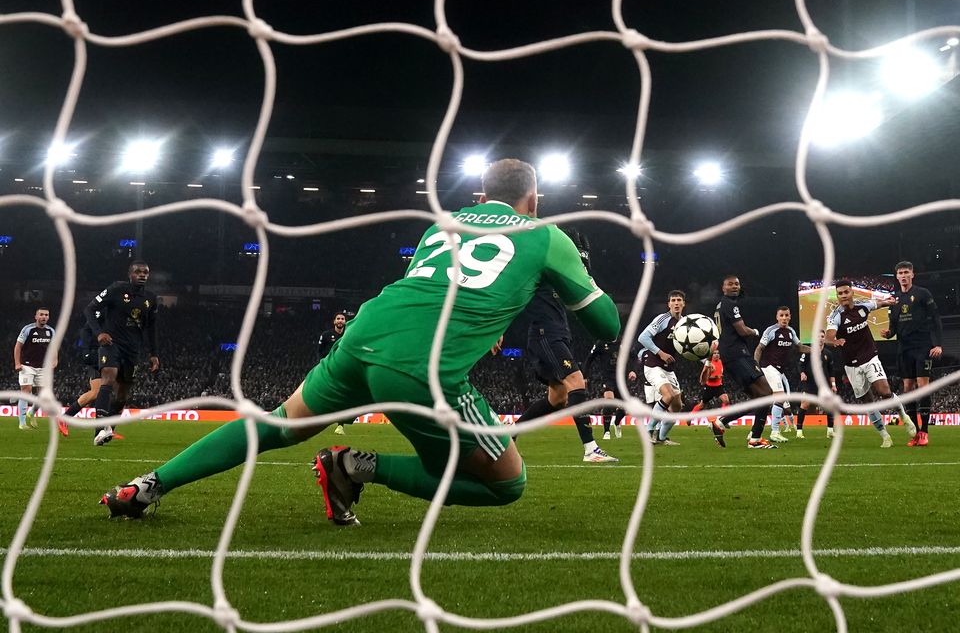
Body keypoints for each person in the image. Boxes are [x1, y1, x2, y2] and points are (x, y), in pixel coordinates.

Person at [100, 158, 621, 525]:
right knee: (506, 484)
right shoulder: (546, 235)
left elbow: (441, 286)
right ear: (535, 201)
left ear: (480, 198)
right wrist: (575, 276)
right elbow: (606, 327)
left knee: (278, 425)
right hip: (424, 367)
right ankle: (353, 465)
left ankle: (147, 484)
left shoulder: (441, 223)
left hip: (364, 333)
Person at [512, 228, 619, 463]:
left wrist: (582, 263)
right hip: (545, 334)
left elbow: (581, 287)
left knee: (557, 399)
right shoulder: (541, 266)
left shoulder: (560, 274)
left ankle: (508, 437)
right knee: (576, 381)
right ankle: (590, 448)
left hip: (558, 333)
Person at [826, 280, 915, 448]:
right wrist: (835, 341)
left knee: (884, 391)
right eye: (840, 293)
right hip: (851, 364)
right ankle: (885, 436)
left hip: (869, 356)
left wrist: (887, 302)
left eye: (846, 292)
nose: (843, 296)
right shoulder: (836, 315)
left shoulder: (862, 306)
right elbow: (830, 335)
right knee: (868, 402)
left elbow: (877, 303)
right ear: (837, 296)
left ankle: (904, 417)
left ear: (852, 292)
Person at [84, 261, 160, 446]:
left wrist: (153, 353)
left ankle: (109, 429)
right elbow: (90, 309)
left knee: (122, 396)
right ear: (130, 274)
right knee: (108, 380)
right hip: (111, 344)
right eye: (138, 272)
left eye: (145, 272)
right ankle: (99, 430)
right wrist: (99, 332)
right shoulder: (116, 289)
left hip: (133, 349)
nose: (142, 275)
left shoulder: (150, 298)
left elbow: (151, 327)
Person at [710, 275, 779, 449]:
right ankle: (754, 439)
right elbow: (742, 330)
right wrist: (756, 331)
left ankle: (722, 422)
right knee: (766, 393)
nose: (734, 287)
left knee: (758, 398)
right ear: (723, 288)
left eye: (737, 284)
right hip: (737, 354)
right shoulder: (730, 304)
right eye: (730, 284)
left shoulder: (719, 305)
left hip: (729, 355)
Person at [881, 261, 943, 446]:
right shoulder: (896, 300)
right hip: (904, 348)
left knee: (923, 386)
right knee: (907, 388)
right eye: (900, 272)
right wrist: (888, 334)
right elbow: (894, 328)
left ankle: (924, 432)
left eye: (906, 272)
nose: (903, 275)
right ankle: (915, 433)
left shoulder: (923, 293)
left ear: (912, 274)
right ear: (897, 276)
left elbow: (936, 318)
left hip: (923, 346)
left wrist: (938, 344)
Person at [637, 291, 687, 445]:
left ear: (684, 304)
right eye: (673, 300)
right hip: (653, 365)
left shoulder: (686, 322)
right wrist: (661, 353)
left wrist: (705, 359)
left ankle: (661, 437)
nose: (676, 303)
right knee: (668, 395)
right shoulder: (662, 319)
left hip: (669, 369)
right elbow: (643, 337)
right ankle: (649, 431)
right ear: (669, 304)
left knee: (677, 406)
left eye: (679, 300)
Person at [754, 306, 809, 443]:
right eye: (781, 315)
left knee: (769, 399)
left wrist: (814, 350)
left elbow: (799, 347)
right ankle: (775, 432)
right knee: (780, 397)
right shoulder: (771, 331)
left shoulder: (791, 332)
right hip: (769, 367)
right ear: (777, 317)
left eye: (786, 315)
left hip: (779, 370)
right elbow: (760, 348)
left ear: (790, 316)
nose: (784, 318)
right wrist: (755, 365)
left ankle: (753, 431)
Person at [58, 319, 106, 438]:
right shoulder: (98, 312)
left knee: (108, 393)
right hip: (97, 357)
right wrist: (86, 352)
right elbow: (85, 331)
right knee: (96, 392)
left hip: (109, 355)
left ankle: (106, 428)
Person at [13, 307, 57, 431]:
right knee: (26, 391)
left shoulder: (51, 331)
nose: (44, 317)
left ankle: (31, 412)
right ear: (36, 316)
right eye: (41, 314)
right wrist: (17, 363)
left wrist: (55, 359)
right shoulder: (28, 329)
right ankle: (22, 423)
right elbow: (18, 346)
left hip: (43, 367)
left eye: (46, 315)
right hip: (27, 365)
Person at [583, 337, 631, 440]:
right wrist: (585, 376)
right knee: (609, 401)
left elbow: (633, 357)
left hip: (621, 379)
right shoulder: (601, 343)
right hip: (607, 378)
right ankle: (606, 431)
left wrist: (632, 370)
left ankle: (617, 423)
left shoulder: (622, 342)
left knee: (625, 407)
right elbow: (589, 358)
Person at [796, 330, 837, 439]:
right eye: (818, 336)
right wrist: (802, 373)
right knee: (805, 404)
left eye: (822, 336)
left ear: (824, 338)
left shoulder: (828, 354)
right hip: (809, 383)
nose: (820, 338)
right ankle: (799, 431)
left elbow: (831, 371)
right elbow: (800, 364)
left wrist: (833, 384)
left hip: (823, 385)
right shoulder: (808, 351)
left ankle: (830, 431)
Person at [317, 311, 352, 435]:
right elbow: (319, 351)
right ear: (334, 321)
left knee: (344, 396)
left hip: (344, 369)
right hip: (329, 369)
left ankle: (340, 426)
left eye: (342, 318)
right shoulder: (326, 335)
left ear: (345, 321)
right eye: (338, 318)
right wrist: (321, 364)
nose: (340, 320)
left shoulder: (349, 334)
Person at [692, 346, 730, 439]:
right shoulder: (709, 365)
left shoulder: (720, 362)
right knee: (701, 405)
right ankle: (690, 417)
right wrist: (716, 376)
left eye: (718, 353)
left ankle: (723, 420)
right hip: (709, 388)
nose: (717, 355)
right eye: (715, 353)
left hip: (718, 387)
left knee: (726, 400)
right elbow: (705, 378)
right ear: (712, 355)